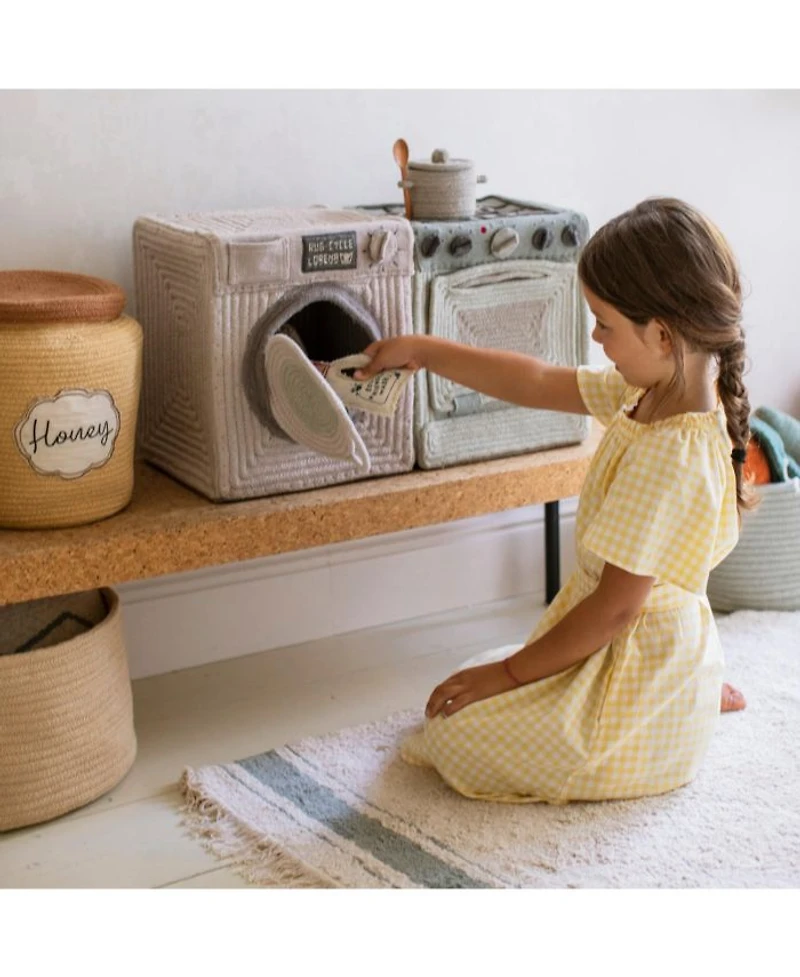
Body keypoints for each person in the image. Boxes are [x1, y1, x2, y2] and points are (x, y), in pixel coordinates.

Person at [353, 197, 752, 803]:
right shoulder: (656, 388)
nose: (595, 336)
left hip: (624, 656)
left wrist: (506, 676)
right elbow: (536, 380)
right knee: (486, 677)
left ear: (663, 334)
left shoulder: (670, 452)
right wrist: (425, 350)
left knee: (454, 732)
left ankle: (666, 715)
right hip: (629, 639)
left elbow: (616, 611)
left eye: (604, 323)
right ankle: (684, 690)